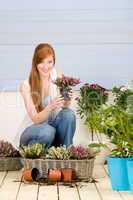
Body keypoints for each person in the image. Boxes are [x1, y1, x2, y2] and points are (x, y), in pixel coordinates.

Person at [14, 43, 76, 149]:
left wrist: (68, 98)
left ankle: (65, 152)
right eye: (41, 62)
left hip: (52, 130)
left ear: (54, 61)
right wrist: (51, 106)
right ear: (35, 63)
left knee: (68, 114)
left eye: (50, 62)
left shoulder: (57, 75)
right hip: (33, 133)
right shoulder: (26, 85)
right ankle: (32, 155)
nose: (46, 67)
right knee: (48, 130)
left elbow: (65, 105)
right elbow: (35, 119)